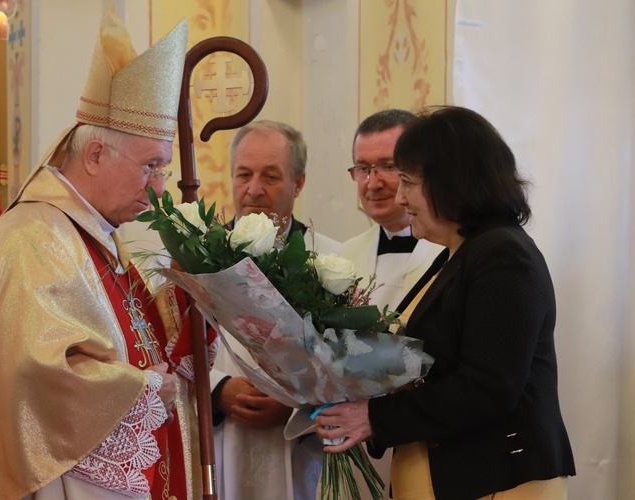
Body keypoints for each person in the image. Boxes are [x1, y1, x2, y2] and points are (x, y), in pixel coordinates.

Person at [0, 8, 213, 499]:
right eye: (151, 166)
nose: (160, 190)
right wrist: (144, 391)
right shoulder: (32, 239)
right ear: (96, 154)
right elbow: (35, 378)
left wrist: (192, 299)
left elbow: (125, 334)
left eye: (165, 169)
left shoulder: (93, 233)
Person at [315, 106, 576, 499]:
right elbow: (426, 361)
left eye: (407, 181)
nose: (400, 197)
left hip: (499, 480)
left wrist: (374, 418)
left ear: (452, 182)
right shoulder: (462, 250)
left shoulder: (504, 255)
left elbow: (488, 388)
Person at [210, 120, 340, 500]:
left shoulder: (330, 261)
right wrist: (218, 390)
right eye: (244, 174)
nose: (254, 189)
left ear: (298, 183)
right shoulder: (193, 259)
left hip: (299, 456)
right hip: (218, 448)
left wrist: (299, 406)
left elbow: (350, 369)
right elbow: (166, 353)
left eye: (271, 176)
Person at [340, 109, 443, 496]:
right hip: (356, 450)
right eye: (362, 168)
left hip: (433, 441)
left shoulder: (453, 254)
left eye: (387, 166)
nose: (373, 182)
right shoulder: (339, 257)